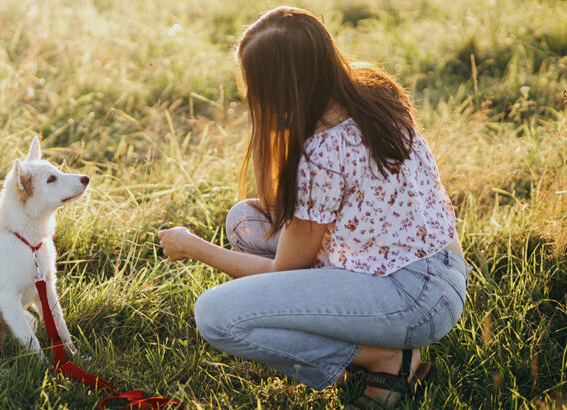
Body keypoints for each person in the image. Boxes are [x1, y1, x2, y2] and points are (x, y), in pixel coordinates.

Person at [157, 6, 471, 408]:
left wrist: (192, 246)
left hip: (411, 299)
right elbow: (293, 214)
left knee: (216, 315)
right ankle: (376, 345)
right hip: (438, 269)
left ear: (280, 88)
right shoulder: (374, 94)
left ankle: (384, 357)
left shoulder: (322, 152)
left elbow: (281, 271)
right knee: (243, 220)